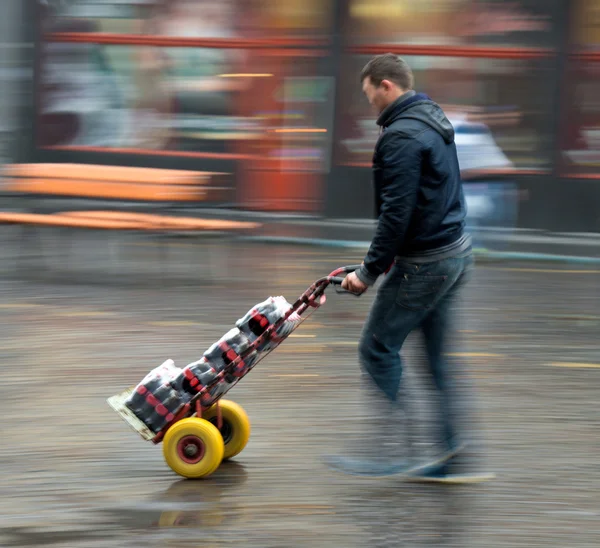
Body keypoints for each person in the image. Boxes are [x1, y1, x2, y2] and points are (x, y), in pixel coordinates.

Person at [326, 54, 492, 482]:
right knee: (436, 360)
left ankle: (400, 450)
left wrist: (367, 272)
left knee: (377, 350)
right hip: (455, 253)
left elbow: (396, 214)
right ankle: (453, 453)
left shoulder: (401, 136)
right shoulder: (433, 118)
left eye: (370, 96)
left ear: (386, 86)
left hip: (426, 264)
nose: (370, 106)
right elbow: (431, 197)